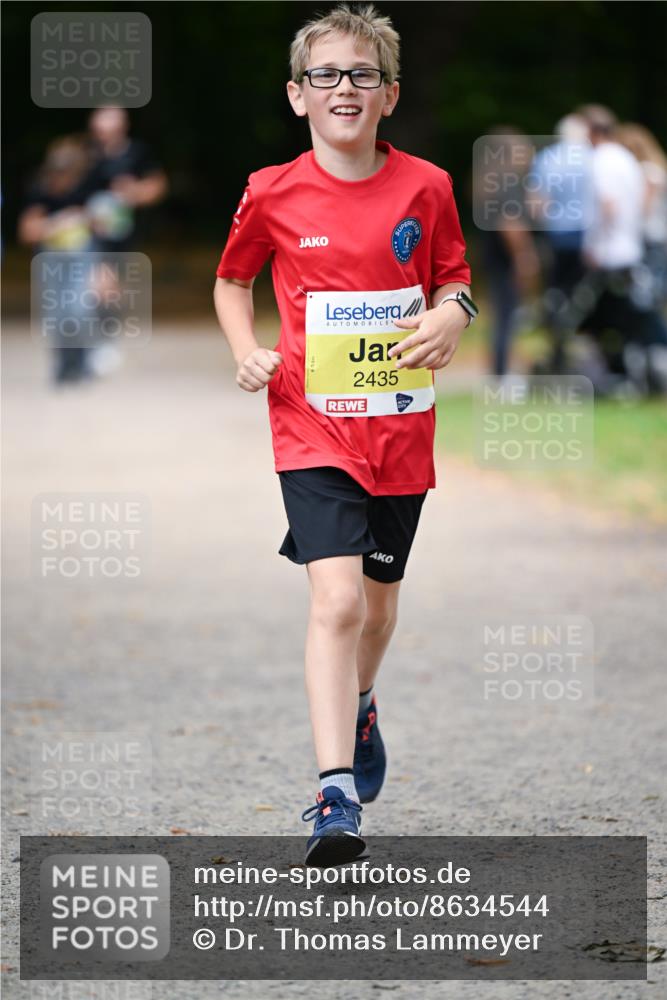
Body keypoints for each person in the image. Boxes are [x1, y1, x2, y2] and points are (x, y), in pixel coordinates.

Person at [213, 3, 474, 866]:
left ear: (389, 94)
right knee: (337, 600)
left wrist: (451, 317)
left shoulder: (426, 186)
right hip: (310, 426)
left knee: (379, 605)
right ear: (297, 95)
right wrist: (247, 349)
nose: (344, 88)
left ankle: (362, 700)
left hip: (399, 432)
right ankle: (333, 797)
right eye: (325, 74)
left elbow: (454, 280)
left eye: (362, 74)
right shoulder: (272, 191)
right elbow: (230, 280)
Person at [577, 104, 667, 393]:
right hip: (630, 250)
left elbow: (608, 205)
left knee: (610, 321)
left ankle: (624, 376)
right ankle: (636, 374)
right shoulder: (625, 158)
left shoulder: (601, 160)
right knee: (634, 318)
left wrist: (593, 244)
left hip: (611, 254)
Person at [18, 135, 97, 384]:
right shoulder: (39, 191)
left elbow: (102, 222)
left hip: (81, 257)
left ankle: (82, 362)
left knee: (80, 309)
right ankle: (63, 366)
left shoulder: (85, 189)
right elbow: (28, 231)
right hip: (51, 260)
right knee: (57, 313)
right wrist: (56, 223)